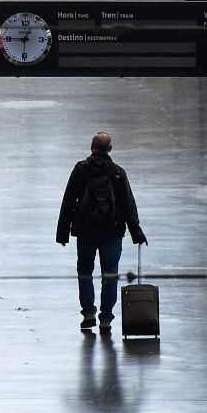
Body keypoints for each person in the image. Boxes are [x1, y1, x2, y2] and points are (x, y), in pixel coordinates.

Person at [56, 132, 147, 333]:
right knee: (110, 274)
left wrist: (62, 233)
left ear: (92, 147)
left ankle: (88, 312)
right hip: (112, 231)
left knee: (85, 270)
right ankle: (106, 318)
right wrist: (136, 232)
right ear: (110, 149)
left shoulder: (81, 170)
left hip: (86, 230)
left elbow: (69, 201)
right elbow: (127, 205)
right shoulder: (117, 172)